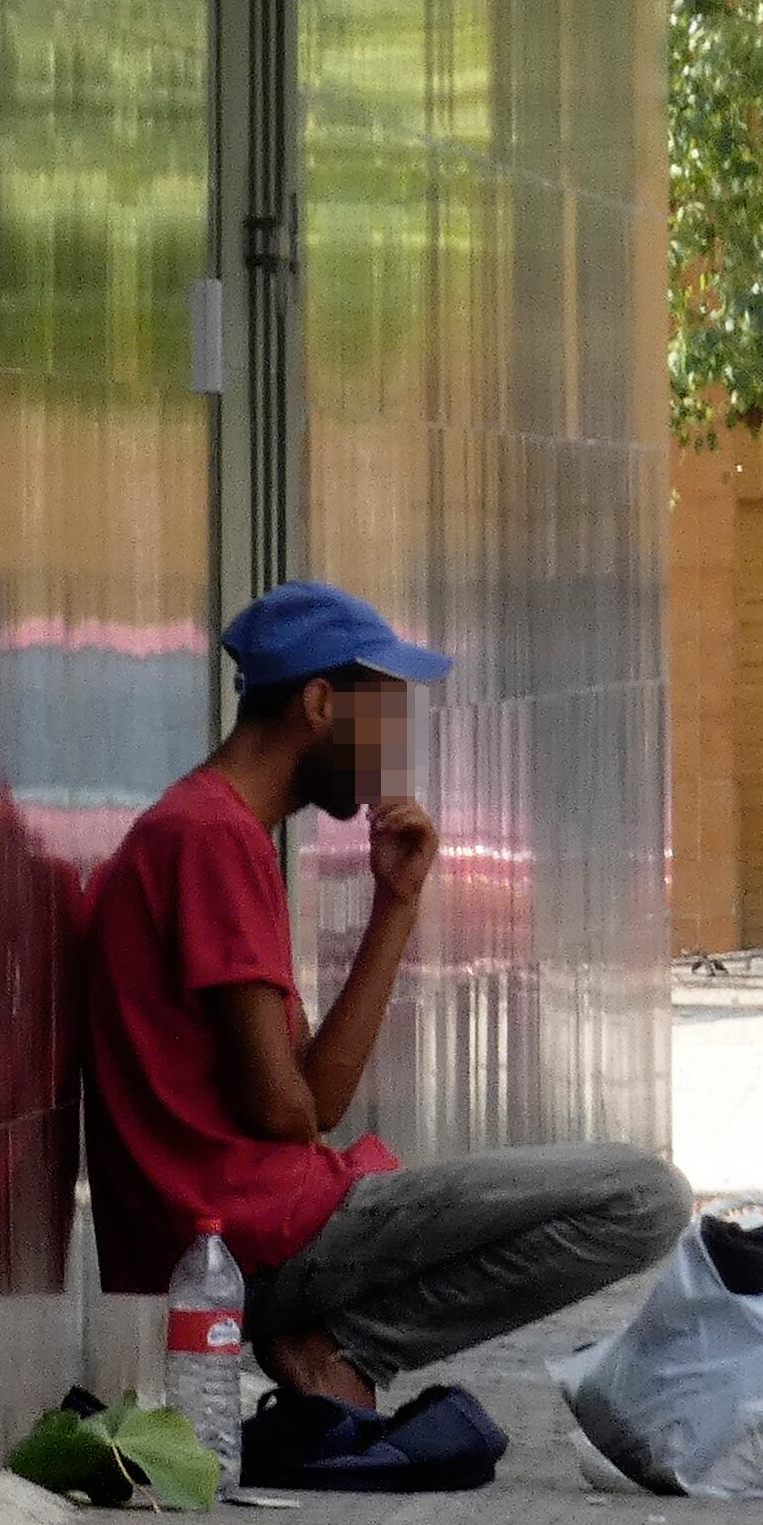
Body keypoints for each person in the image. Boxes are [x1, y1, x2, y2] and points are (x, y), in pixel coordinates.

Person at [71, 582, 688, 1430]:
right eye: (384, 714)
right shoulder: (206, 837)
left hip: (256, 1224)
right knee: (642, 1196)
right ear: (321, 704)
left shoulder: (220, 831)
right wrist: (304, 1121)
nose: (395, 749)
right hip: (242, 1236)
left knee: (616, 1194)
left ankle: (331, 1341)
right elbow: (284, 1108)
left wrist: (395, 903)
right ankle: (343, 1347)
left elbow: (311, 1104)